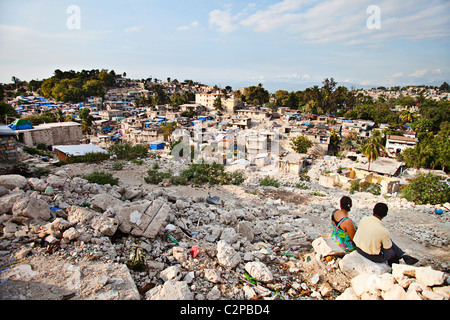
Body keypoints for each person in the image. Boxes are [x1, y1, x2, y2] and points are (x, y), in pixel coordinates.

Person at [353, 203, 419, 266]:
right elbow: (388, 248)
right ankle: (395, 266)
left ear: (373, 210)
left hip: (358, 248)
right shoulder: (383, 231)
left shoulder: (364, 219)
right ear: (385, 215)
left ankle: (404, 255)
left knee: (387, 240)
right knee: (392, 252)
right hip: (370, 255)